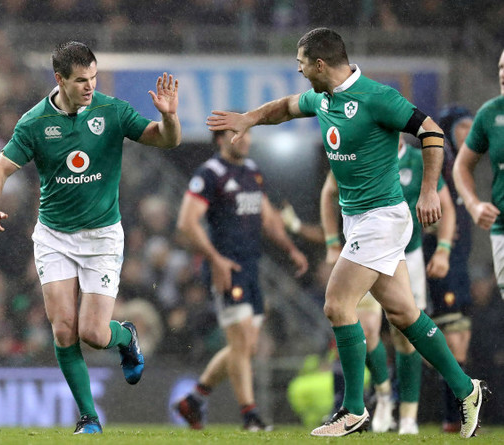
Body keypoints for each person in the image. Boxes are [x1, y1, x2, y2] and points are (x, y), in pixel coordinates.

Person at [206, 27, 488, 438]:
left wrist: (429, 190)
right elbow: (285, 106)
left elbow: (431, 131)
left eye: (301, 62)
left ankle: (354, 409)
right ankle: (466, 389)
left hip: (382, 218)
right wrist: (249, 118)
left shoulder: (377, 97)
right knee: (405, 314)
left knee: (337, 305)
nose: (299, 69)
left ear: (320, 64)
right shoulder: (324, 98)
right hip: (358, 219)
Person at [0, 41, 181, 434]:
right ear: (59, 80)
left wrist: (170, 118)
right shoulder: (35, 122)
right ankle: (89, 417)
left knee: (92, 333)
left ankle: (125, 337)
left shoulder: (111, 110)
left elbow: (166, 139)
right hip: (54, 236)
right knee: (62, 328)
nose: (90, 86)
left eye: (93, 77)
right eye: (80, 80)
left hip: (103, 236)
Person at [283, 133, 456, 435]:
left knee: (406, 332)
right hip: (364, 253)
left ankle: (409, 417)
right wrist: (332, 241)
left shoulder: (417, 159)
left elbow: (446, 206)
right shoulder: (358, 149)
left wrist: (442, 249)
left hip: (407, 256)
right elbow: (328, 192)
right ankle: (383, 395)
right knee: (365, 326)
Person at [174, 126, 309, 431]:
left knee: (244, 346)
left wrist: (290, 248)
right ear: (221, 139)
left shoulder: (251, 171)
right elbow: (186, 221)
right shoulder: (210, 173)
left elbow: (268, 216)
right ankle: (250, 416)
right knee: (241, 342)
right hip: (226, 268)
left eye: (247, 133)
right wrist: (215, 259)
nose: (246, 139)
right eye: (238, 134)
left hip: (251, 267)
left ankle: (192, 401)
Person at [426, 105, 474, 433]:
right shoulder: (438, 161)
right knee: (452, 340)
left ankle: (457, 415)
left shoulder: (461, 165)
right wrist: (433, 231)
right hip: (443, 264)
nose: (468, 134)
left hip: (460, 265)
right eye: (462, 127)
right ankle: (454, 416)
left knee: (462, 339)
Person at [453, 49, 504, 299]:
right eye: (501, 68)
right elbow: (461, 166)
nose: (503, 74)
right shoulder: (489, 114)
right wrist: (473, 205)